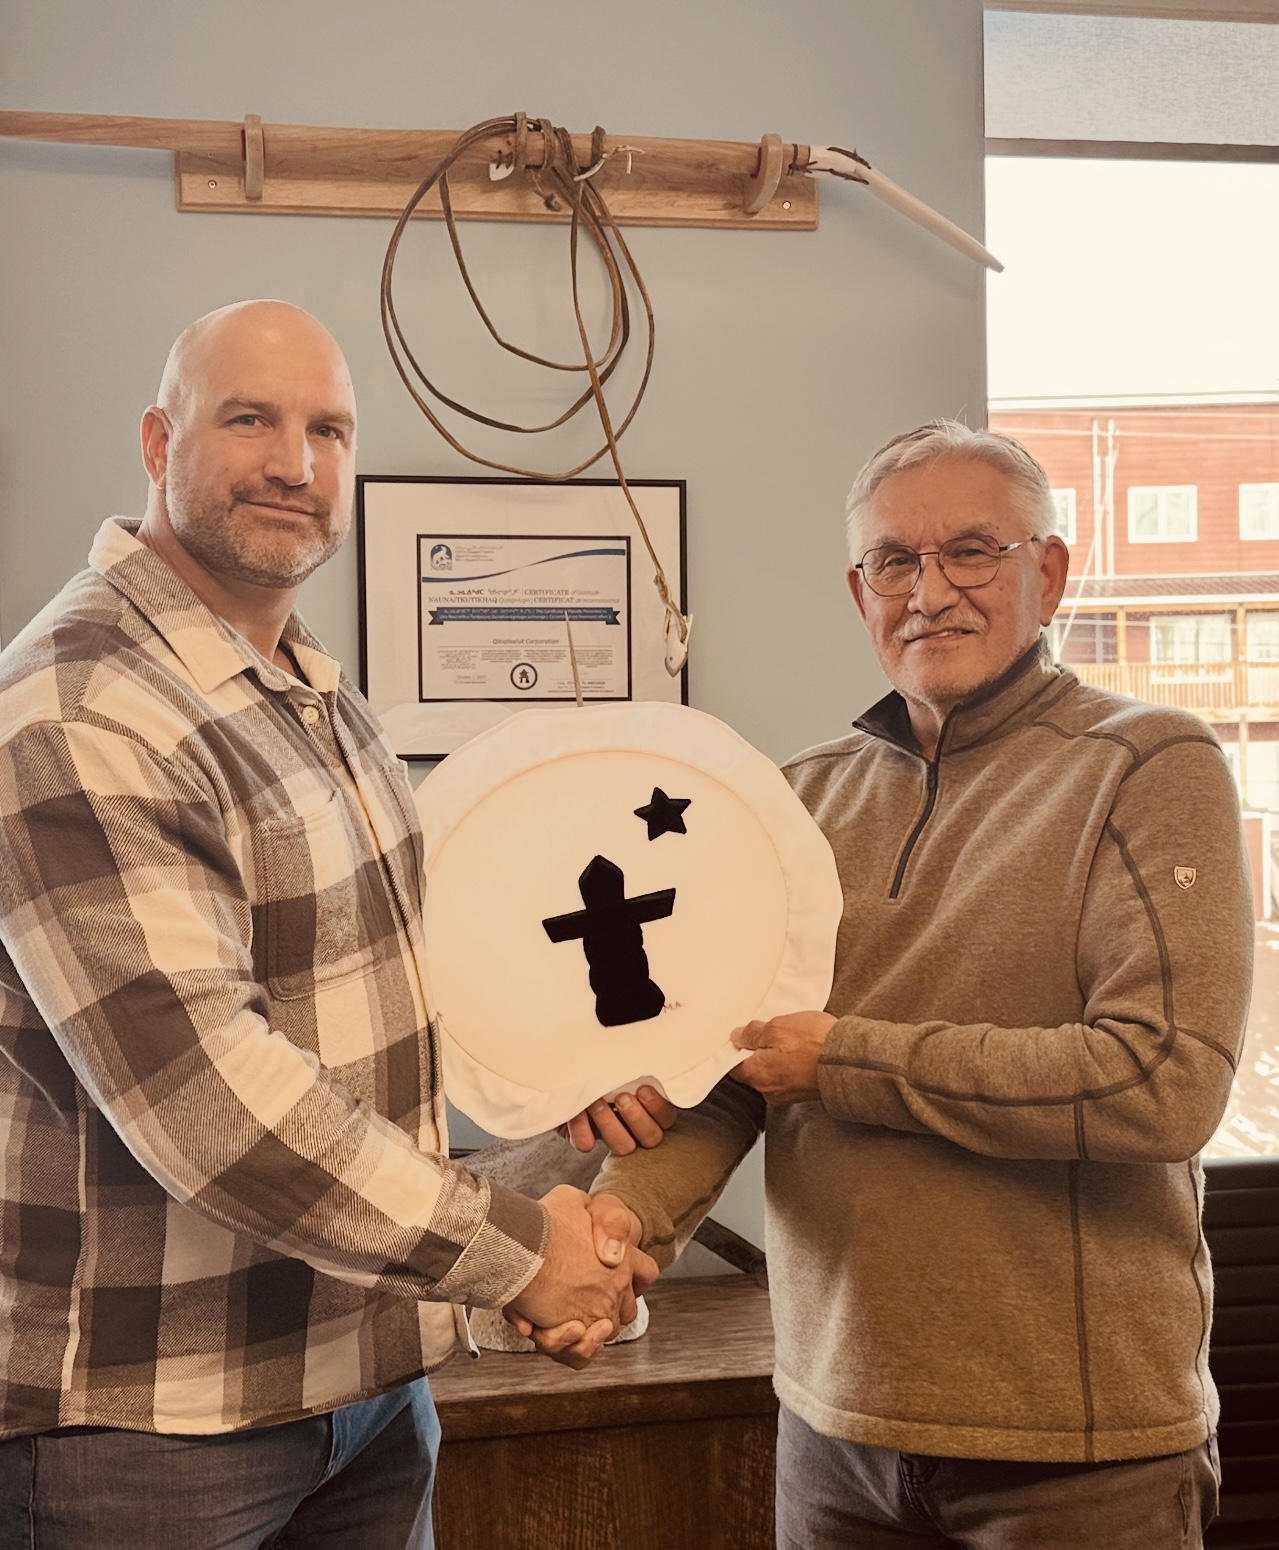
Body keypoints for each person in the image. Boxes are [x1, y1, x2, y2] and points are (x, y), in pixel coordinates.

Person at [0, 300, 663, 1549]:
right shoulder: (84, 708)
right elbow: (214, 1103)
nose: (295, 463)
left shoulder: (312, 689)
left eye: (329, 430)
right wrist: (525, 1255)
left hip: (365, 1388)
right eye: (250, 419)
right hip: (151, 1433)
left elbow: (387, 989)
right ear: (158, 441)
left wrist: (558, 1068)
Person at [575, 421, 1252, 1547]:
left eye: (969, 551)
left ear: (1047, 572)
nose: (928, 592)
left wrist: (844, 1058)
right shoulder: (793, 799)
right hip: (831, 1431)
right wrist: (615, 1219)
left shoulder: (1149, 765)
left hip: (1076, 1455)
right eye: (894, 561)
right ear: (860, 591)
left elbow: (1161, 1081)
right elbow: (735, 1072)